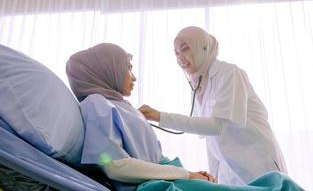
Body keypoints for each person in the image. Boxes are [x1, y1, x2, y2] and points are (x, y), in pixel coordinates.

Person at [139, 26, 288, 185]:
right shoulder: (199, 85)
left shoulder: (230, 73)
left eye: (185, 49)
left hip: (257, 163)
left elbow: (216, 127)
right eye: (176, 53)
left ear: (203, 48)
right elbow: (212, 141)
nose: (180, 57)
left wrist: (159, 116)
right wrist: (214, 181)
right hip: (230, 169)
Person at [65, 43, 216, 191]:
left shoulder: (121, 106)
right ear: (106, 70)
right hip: (153, 185)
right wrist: (186, 175)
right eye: (128, 68)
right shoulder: (95, 104)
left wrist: (190, 174)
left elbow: (152, 157)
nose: (134, 77)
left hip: (168, 178)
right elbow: (114, 167)